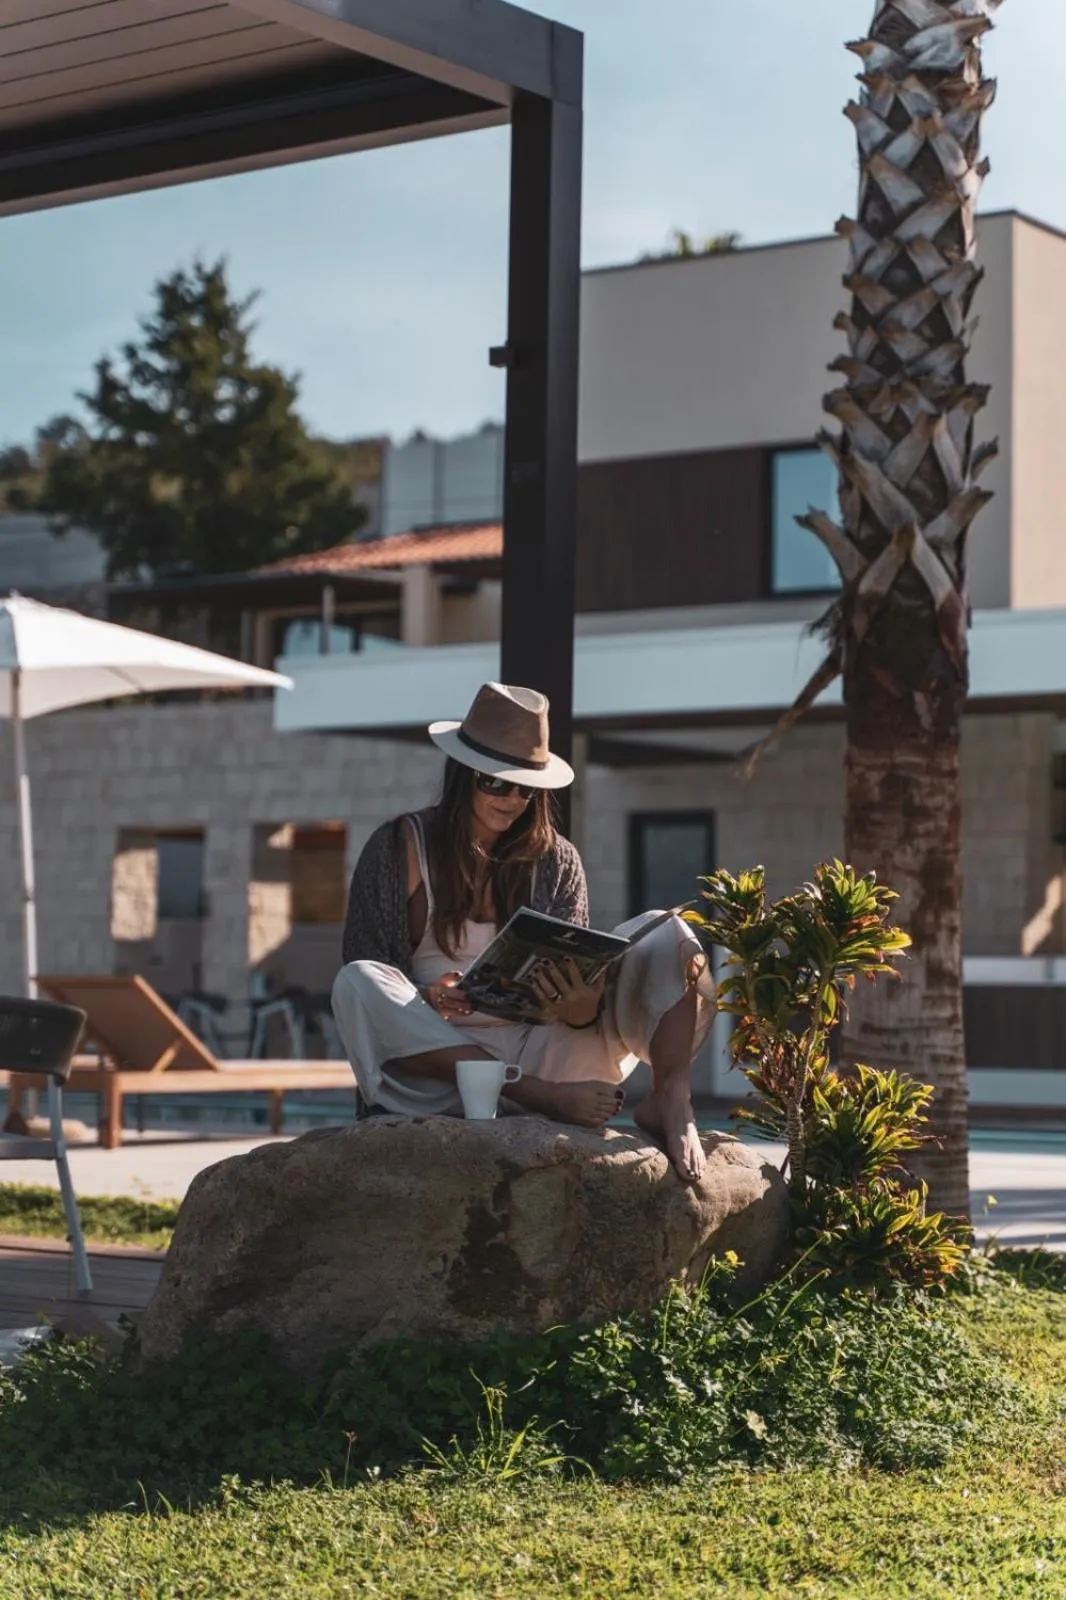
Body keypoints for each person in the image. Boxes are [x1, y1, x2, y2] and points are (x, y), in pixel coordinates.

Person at [331, 682, 715, 1181]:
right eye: (494, 782)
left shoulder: (556, 859)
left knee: (671, 932)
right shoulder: (398, 846)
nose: (511, 799)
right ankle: (530, 1096)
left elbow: (576, 1003)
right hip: (437, 1071)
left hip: (547, 1054)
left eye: (525, 786)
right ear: (463, 775)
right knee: (358, 979)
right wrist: (428, 998)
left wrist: (579, 1004)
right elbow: (371, 973)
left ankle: (671, 1098)